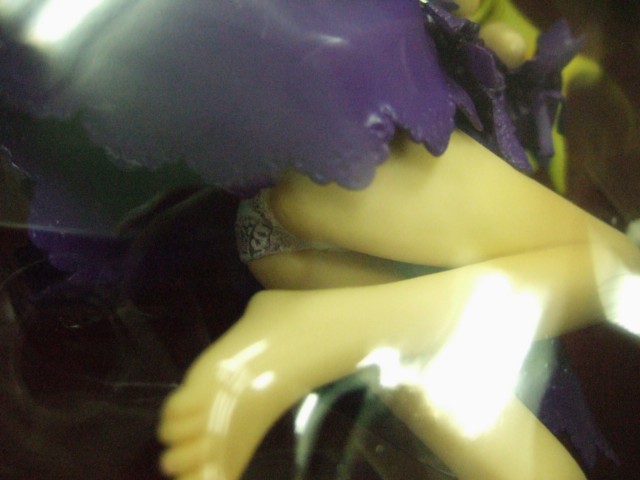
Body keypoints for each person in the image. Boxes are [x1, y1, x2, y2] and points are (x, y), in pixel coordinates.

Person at [156, 2, 640, 480]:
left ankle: (335, 331)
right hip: (362, 169)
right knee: (625, 272)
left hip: (290, 238)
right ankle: (334, 331)